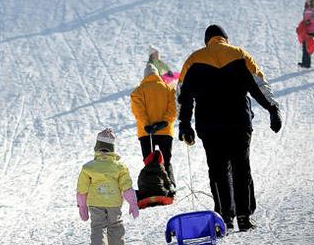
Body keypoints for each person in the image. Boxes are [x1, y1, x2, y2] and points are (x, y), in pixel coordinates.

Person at [176, 25, 282, 232]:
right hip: (239, 123)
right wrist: (272, 108)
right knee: (242, 168)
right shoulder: (239, 54)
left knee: (218, 171)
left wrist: (185, 124)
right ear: (224, 38)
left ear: (207, 40)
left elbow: (183, 96)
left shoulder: (194, 60)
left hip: (210, 126)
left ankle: (224, 217)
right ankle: (244, 217)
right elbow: (259, 84)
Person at [76, 128, 139, 245]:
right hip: (114, 203)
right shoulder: (120, 167)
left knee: (98, 227)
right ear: (112, 149)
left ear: (97, 148)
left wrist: (82, 207)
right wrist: (133, 203)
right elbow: (127, 187)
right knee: (115, 226)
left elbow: (82, 190)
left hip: (95, 203)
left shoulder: (88, 168)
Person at [130, 64, 178, 196]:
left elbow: (138, 111)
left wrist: (147, 125)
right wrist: (164, 122)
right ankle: (171, 187)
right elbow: (174, 108)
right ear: (157, 75)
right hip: (165, 131)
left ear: (145, 76)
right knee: (166, 160)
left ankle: (152, 189)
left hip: (146, 133)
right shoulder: (169, 89)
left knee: (149, 161)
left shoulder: (138, 91)